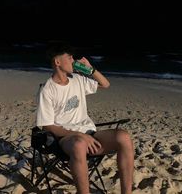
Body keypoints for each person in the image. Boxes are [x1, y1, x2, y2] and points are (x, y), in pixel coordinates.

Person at [36, 43, 134, 194]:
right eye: (69, 58)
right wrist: (78, 135)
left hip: (90, 134)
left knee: (124, 136)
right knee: (79, 144)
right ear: (57, 62)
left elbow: (105, 84)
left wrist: (91, 69)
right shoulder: (47, 90)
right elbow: (47, 126)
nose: (73, 61)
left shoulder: (77, 79)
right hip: (66, 139)